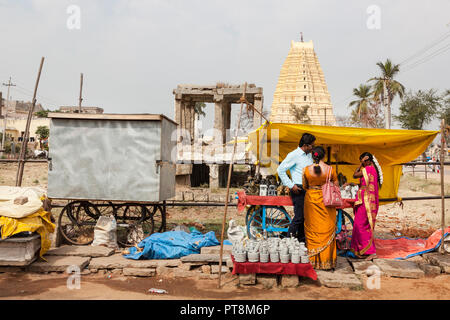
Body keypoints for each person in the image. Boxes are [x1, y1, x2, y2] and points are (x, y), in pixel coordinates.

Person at [302, 146, 338, 270]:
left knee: (312, 229)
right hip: (326, 202)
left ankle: (313, 261)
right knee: (326, 228)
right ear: (323, 156)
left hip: (311, 201)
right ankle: (327, 261)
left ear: (313, 156)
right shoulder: (330, 170)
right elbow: (336, 185)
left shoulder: (306, 170)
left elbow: (305, 186)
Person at [277, 133, 315, 242]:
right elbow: (280, 170)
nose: (313, 147)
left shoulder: (309, 155)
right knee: (299, 217)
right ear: (305, 145)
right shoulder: (293, 155)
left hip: (308, 189)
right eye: (312, 145)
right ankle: (289, 242)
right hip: (298, 189)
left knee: (305, 217)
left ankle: (302, 241)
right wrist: (290, 185)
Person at [350, 152, 383, 260]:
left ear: (367, 160)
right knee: (359, 225)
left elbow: (355, 174)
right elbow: (363, 183)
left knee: (361, 225)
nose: (362, 164)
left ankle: (371, 251)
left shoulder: (368, 169)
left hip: (366, 201)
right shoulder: (371, 170)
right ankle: (361, 250)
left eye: (363, 161)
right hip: (364, 199)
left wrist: (360, 164)